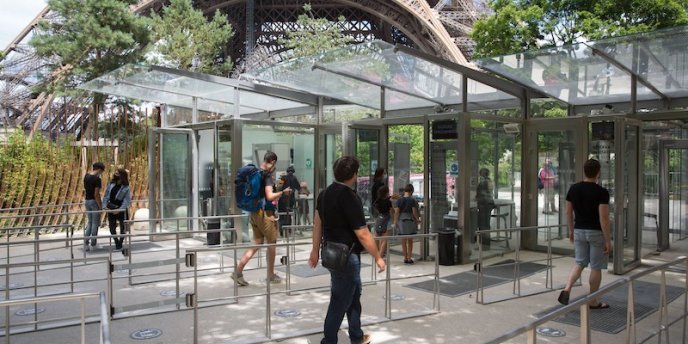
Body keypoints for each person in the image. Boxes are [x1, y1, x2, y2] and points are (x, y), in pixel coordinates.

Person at [308, 156, 385, 344]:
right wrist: (378, 257)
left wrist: (315, 250)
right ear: (353, 175)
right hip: (347, 256)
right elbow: (363, 233)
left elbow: (317, 224)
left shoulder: (324, 194)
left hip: (331, 254)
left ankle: (357, 336)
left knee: (353, 293)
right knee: (339, 300)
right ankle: (328, 340)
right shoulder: (350, 197)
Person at [558, 159, 612, 309]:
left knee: (580, 262)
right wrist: (608, 240)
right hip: (595, 233)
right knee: (596, 267)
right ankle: (593, 301)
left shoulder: (574, 189)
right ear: (598, 172)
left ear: (584, 171)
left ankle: (567, 288)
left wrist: (571, 230)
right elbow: (604, 217)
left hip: (579, 230)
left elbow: (568, 211)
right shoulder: (602, 192)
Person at [231, 151, 292, 286]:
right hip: (265, 214)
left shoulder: (256, 172)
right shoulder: (267, 176)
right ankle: (270, 274)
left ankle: (238, 271)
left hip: (254, 212)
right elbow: (270, 196)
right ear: (273, 162)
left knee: (257, 242)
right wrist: (283, 192)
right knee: (272, 244)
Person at [102, 168, 132, 250]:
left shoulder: (126, 187)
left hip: (121, 209)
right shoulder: (111, 184)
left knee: (123, 227)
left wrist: (120, 209)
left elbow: (127, 200)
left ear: (122, 175)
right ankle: (116, 241)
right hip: (111, 208)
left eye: (118, 173)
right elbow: (106, 195)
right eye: (115, 173)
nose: (116, 174)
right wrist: (104, 206)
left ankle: (121, 242)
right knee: (112, 227)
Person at [394, 184, 420, 264]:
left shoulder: (399, 200)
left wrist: (395, 221)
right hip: (410, 220)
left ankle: (405, 257)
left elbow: (397, 212)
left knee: (403, 240)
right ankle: (409, 258)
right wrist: (417, 219)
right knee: (410, 240)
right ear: (411, 191)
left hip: (402, 220)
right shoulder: (412, 200)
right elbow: (414, 212)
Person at [83, 162, 105, 251]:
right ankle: (93, 243)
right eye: (102, 171)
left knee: (90, 222)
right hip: (93, 202)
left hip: (87, 201)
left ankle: (86, 243)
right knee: (95, 223)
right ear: (100, 169)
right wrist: (100, 206)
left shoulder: (86, 176)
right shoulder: (97, 179)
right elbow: (96, 194)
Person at [277, 165, 300, 236]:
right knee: (289, 215)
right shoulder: (294, 178)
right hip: (290, 200)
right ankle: (288, 231)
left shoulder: (282, 178)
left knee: (281, 215)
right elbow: (298, 187)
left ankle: (281, 231)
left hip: (282, 199)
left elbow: (278, 188)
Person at [476, 168, 495, 250]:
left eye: (480, 173)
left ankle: (484, 245)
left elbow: (482, 195)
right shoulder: (490, 181)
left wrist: (477, 199)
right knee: (486, 224)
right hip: (489, 204)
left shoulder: (483, 183)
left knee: (483, 225)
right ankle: (486, 244)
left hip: (484, 205)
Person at [373, 185, 394, 257]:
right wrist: (394, 219)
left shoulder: (378, 201)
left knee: (377, 236)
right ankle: (380, 255)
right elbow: (391, 211)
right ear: (386, 192)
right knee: (385, 239)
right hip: (387, 219)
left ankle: (376, 254)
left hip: (379, 218)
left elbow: (375, 207)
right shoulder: (388, 202)